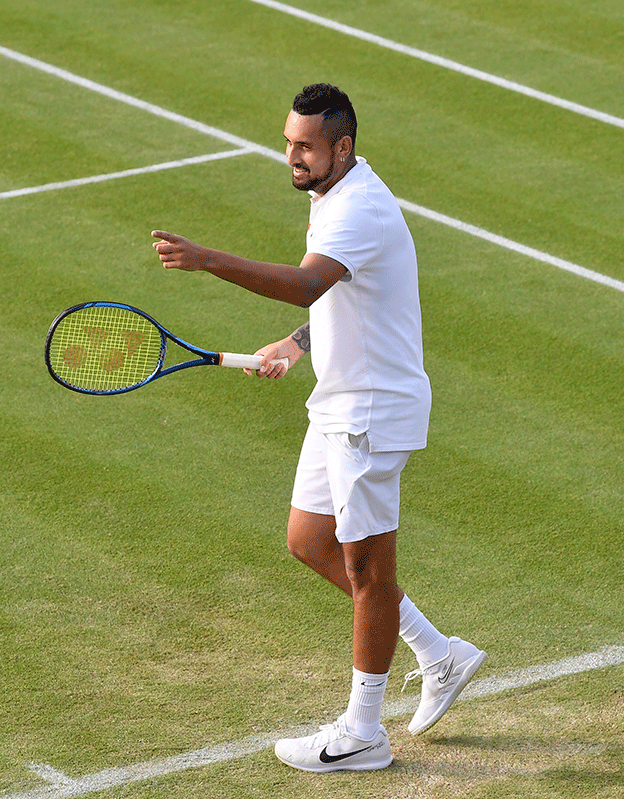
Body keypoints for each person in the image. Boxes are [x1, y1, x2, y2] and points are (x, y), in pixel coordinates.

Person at [151, 83, 485, 773]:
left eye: (304, 145)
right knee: (308, 539)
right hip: (337, 401)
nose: (292, 156)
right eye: (287, 142)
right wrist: (297, 344)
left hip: (370, 411)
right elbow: (344, 293)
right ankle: (439, 653)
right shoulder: (334, 194)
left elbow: (308, 281)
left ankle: (364, 731)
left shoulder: (357, 207)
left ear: (343, 146)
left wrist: (208, 258)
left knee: (368, 570)